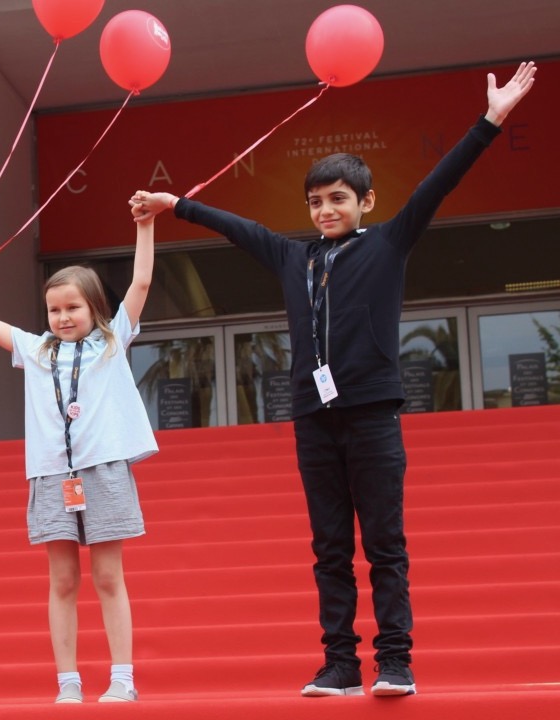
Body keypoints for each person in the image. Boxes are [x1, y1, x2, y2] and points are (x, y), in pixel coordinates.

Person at [130, 62, 537, 699]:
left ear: (364, 202)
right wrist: (176, 204)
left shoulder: (389, 243)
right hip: (313, 419)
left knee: (383, 543)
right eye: (316, 201)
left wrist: (492, 120)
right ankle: (340, 664)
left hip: (373, 413)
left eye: (338, 199)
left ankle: (395, 662)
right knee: (328, 547)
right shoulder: (294, 256)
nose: (326, 210)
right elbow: (240, 229)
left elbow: (439, 183)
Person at [0, 208, 158, 704]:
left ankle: (122, 679)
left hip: (104, 471)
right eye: (54, 310)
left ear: (93, 307)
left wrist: (143, 223)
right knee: (64, 580)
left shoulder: (113, 343)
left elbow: (139, 281)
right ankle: (68, 682)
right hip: (53, 476)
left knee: (109, 577)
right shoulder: (35, 350)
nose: (63, 317)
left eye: (73, 307)